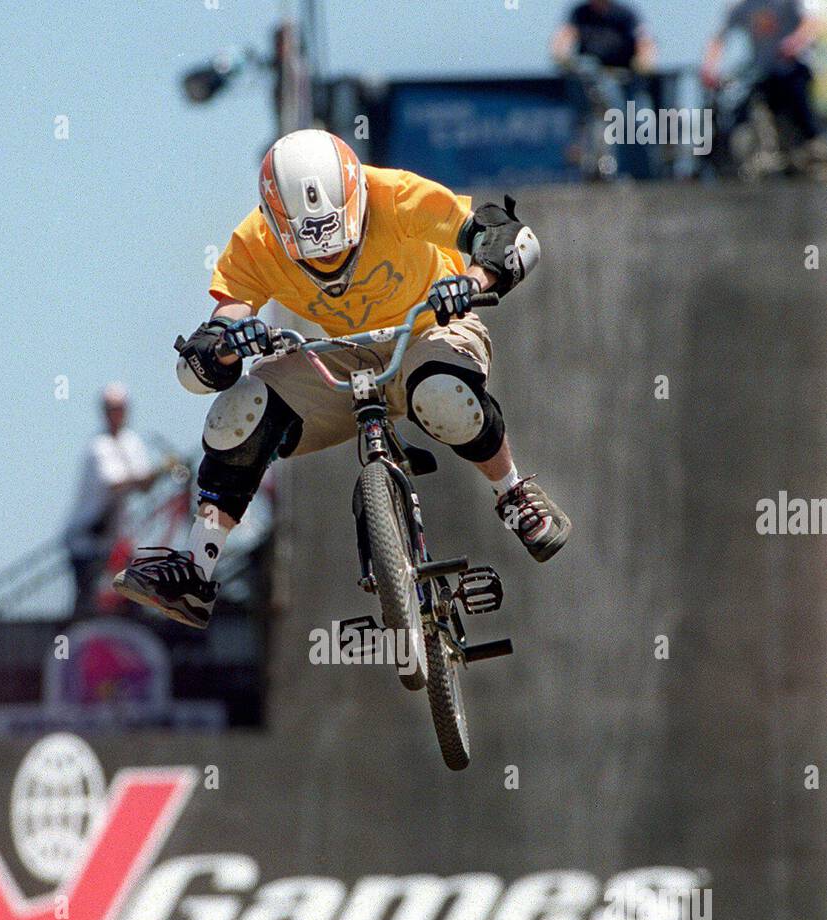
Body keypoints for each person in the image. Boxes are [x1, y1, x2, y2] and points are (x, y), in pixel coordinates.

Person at [114, 129, 570, 631]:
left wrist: (472, 281)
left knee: (444, 398)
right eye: (310, 251)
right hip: (341, 355)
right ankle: (198, 571)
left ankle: (512, 492)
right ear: (276, 223)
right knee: (235, 416)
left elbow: (507, 238)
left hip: (428, 330)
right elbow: (211, 345)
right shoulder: (255, 242)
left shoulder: (394, 194)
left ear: (355, 197)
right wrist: (226, 345)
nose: (329, 262)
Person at [64, 383, 164, 618]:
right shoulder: (98, 446)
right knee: (87, 604)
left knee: (131, 600)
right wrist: (155, 473)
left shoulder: (132, 442)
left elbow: (144, 485)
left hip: (115, 541)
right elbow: (117, 482)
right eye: (111, 408)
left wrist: (161, 472)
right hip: (87, 540)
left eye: (120, 408)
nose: (116, 413)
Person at [702, 1, 827, 157]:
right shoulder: (741, 6)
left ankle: (813, 141)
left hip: (794, 68)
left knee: (799, 102)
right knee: (739, 109)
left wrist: (794, 43)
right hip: (762, 73)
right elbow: (719, 38)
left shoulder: (792, 3)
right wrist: (709, 68)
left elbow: (812, 22)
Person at [552, 2, 658, 177]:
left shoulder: (625, 14)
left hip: (625, 80)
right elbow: (563, 39)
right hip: (592, 82)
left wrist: (644, 63)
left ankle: (644, 175)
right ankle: (595, 163)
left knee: (641, 121)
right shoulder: (579, 13)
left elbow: (645, 43)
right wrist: (561, 55)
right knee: (587, 67)